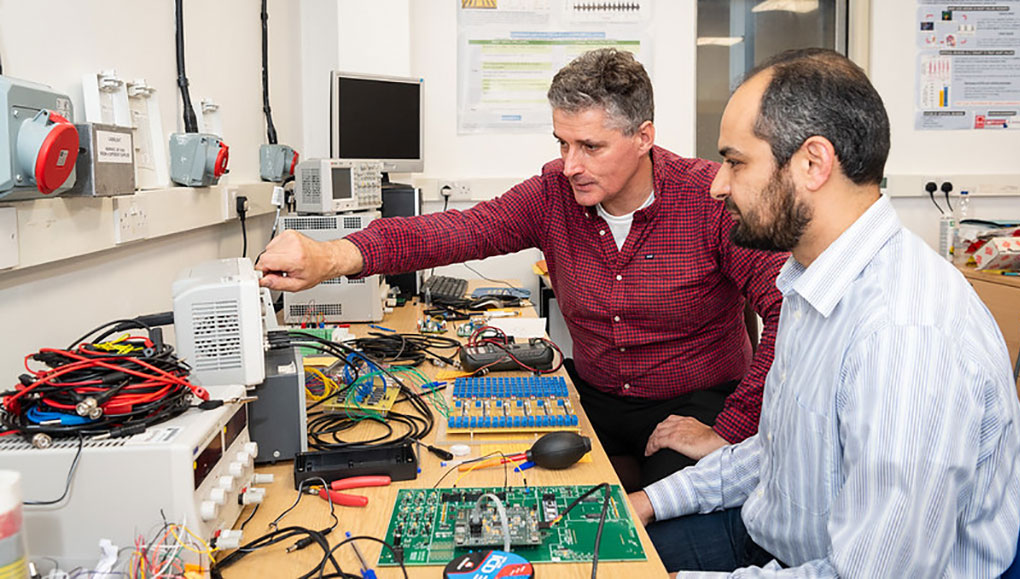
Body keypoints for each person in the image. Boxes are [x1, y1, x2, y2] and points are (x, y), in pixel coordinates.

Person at [257, 48, 786, 489]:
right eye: (562, 143)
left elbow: (788, 307)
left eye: (590, 146)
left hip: (697, 405)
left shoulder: (711, 198)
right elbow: (455, 231)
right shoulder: (552, 196)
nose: (570, 164)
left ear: (644, 137)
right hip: (598, 399)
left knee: (658, 538)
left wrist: (733, 426)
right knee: (515, 485)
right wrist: (332, 256)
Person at [627, 47, 1020, 576]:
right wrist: (649, 502)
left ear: (814, 163)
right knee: (598, 551)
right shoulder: (809, 281)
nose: (717, 185)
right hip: (772, 538)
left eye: (736, 161)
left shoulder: (905, 337)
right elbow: (781, 453)